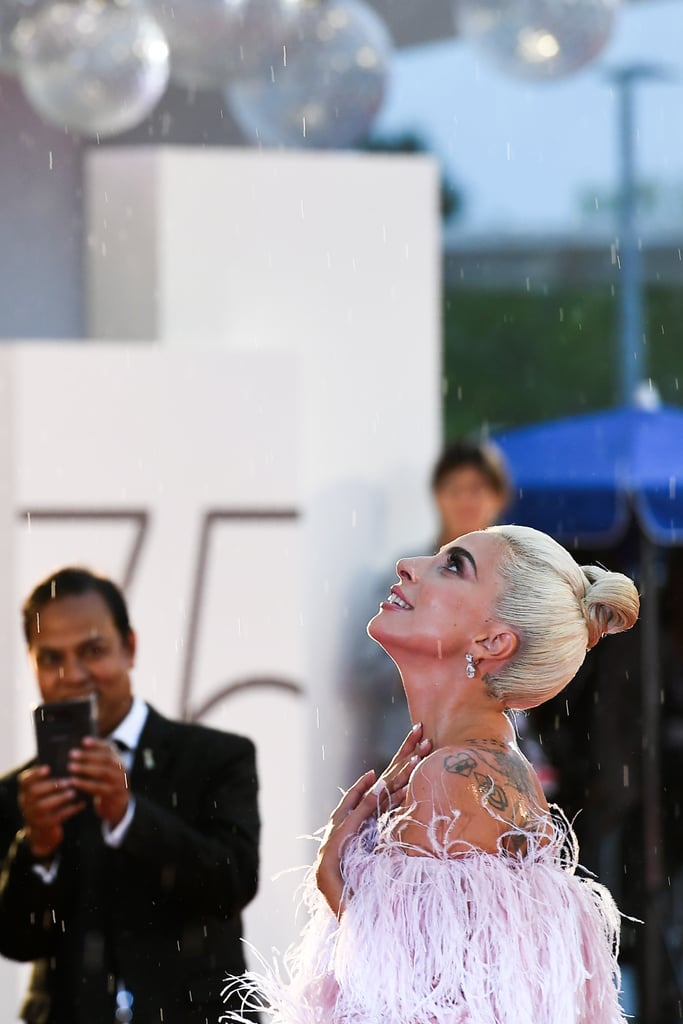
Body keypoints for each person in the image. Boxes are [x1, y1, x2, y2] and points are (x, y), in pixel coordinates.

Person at [227, 525, 639, 1024]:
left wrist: (336, 884)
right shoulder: (462, 766)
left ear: (493, 640)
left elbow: (427, 1008)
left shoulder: (456, 777)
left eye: (453, 566)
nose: (409, 565)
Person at [0, 567, 260, 1024]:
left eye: (93, 651)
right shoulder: (22, 796)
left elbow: (231, 884)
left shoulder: (216, 758)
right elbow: (17, 941)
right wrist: (38, 850)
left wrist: (130, 815)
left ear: (130, 648)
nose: (72, 675)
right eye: (50, 658)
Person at [346, 438, 512, 778]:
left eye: (476, 488)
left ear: (498, 497)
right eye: (454, 488)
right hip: (409, 754)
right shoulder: (409, 574)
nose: (466, 500)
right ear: (437, 495)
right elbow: (363, 669)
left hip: (491, 757)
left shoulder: (514, 581)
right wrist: (436, 657)